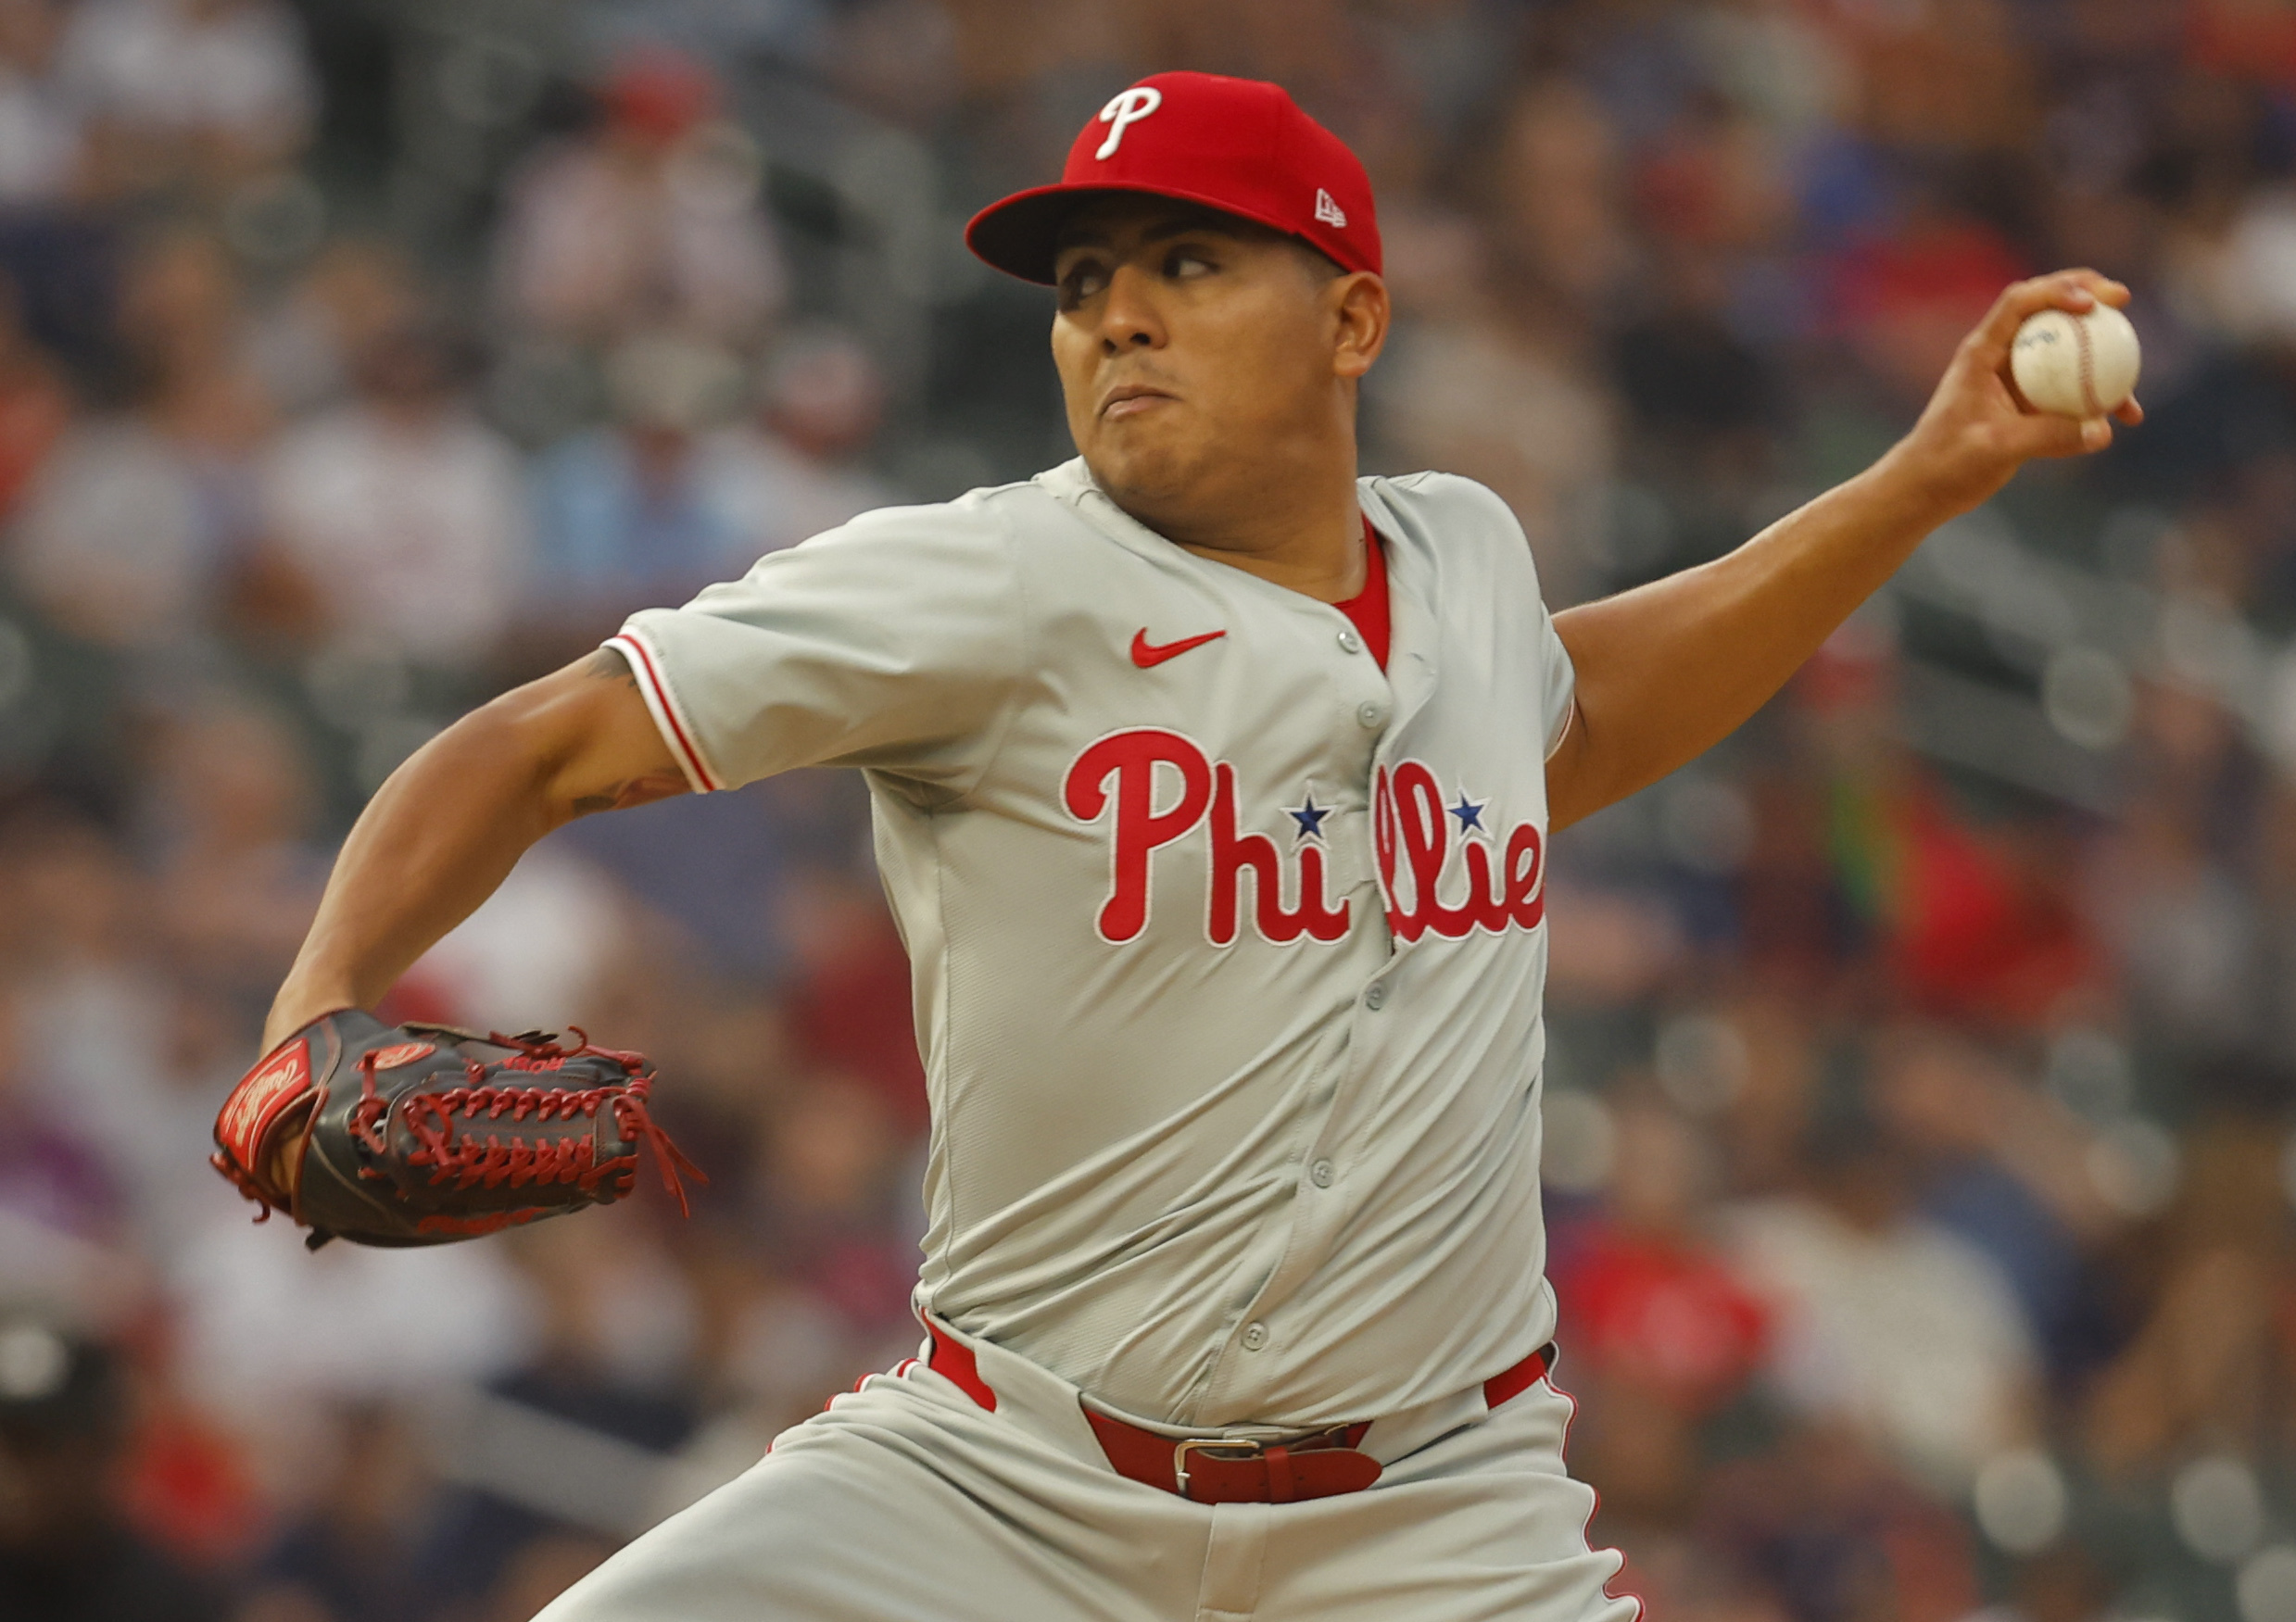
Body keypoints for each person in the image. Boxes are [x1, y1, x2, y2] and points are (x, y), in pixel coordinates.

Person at [232, 71, 2136, 1622]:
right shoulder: (991, 579)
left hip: (1433, 1529)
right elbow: (538, 743)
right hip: (1003, 1490)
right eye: (1080, 282)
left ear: (1352, 319)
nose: (1112, 313)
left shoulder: (1464, 556)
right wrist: (315, 1004)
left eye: (1186, 261)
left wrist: (1926, 475)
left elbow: (1582, 719)